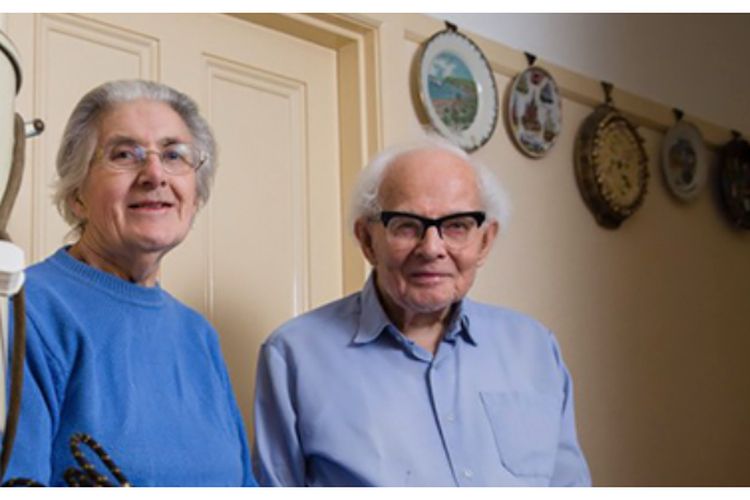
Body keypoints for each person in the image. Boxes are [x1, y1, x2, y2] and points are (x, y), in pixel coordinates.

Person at [253, 136, 591, 486]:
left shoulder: (535, 348)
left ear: (485, 241)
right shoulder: (294, 356)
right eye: (406, 225)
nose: (432, 249)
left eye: (457, 226)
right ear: (367, 240)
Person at [5, 80, 256, 486]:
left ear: (195, 195)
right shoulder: (25, 310)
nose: (154, 174)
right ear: (77, 195)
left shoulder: (198, 334)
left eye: (173, 155)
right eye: (124, 154)